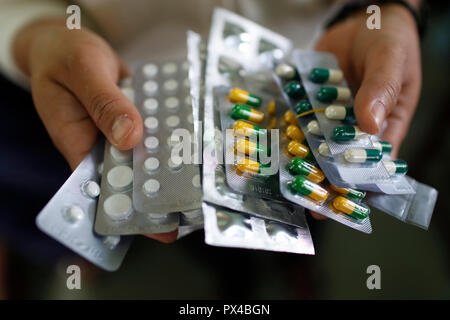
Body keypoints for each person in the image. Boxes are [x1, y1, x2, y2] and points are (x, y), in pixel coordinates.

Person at [0, 0, 423, 295]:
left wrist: (392, 9)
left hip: (303, 68)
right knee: (184, 221)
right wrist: (37, 34)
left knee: (307, 209)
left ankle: (289, 266)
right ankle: (232, 270)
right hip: (118, 85)